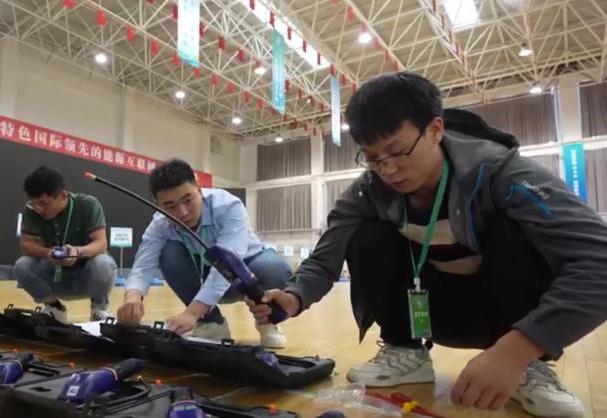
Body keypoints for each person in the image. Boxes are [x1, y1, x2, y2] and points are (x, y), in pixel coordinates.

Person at [247, 73, 607, 417]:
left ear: (435, 130)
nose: (387, 169)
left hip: (508, 319)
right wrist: (294, 296)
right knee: (367, 234)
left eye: (398, 151)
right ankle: (405, 351)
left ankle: (529, 367)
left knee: (510, 229)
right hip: (430, 315)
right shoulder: (366, 192)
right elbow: (325, 258)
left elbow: (599, 260)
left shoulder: (502, 173)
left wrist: (516, 352)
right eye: (372, 157)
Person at [117, 159, 292, 349]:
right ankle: (211, 324)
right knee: (169, 253)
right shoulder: (160, 223)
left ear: (199, 190)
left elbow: (228, 262)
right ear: (157, 205)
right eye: (170, 206)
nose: (182, 212)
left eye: (188, 200)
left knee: (276, 269)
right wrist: (132, 298)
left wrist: (192, 313)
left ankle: (267, 320)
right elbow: (143, 265)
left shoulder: (228, 206)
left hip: (248, 272)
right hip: (204, 277)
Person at [14, 166, 116, 324]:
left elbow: (101, 243)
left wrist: (77, 251)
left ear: (62, 196)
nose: (38, 209)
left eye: (43, 203)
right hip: (54, 276)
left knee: (103, 262)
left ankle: (99, 310)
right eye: (34, 204)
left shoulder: (88, 205)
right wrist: (48, 253)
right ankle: (54, 308)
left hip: (86, 277)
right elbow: (27, 244)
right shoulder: (31, 210)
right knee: (22, 265)